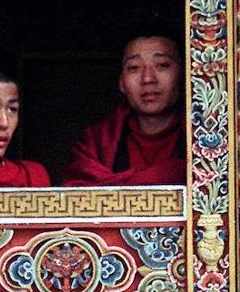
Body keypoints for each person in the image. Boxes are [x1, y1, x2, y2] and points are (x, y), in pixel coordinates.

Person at [62, 30, 186, 186]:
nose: (148, 79)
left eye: (162, 65)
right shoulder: (96, 141)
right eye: (134, 68)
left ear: (185, 75)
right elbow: (77, 192)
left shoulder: (204, 139)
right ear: (121, 82)